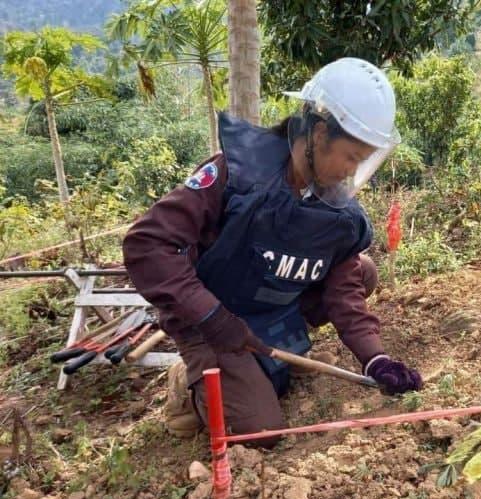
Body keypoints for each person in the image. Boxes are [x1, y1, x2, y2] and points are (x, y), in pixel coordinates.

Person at [122, 57, 423, 446]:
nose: (351, 173)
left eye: (362, 162)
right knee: (261, 433)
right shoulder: (237, 176)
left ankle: (275, 352)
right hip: (212, 315)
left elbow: (344, 289)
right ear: (317, 134)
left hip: (268, 304)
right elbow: (148, 244)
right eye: (351, 157)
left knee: (360, 270)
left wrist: (375, 357)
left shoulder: (334, 208)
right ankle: (189, 383)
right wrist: (212, 318)